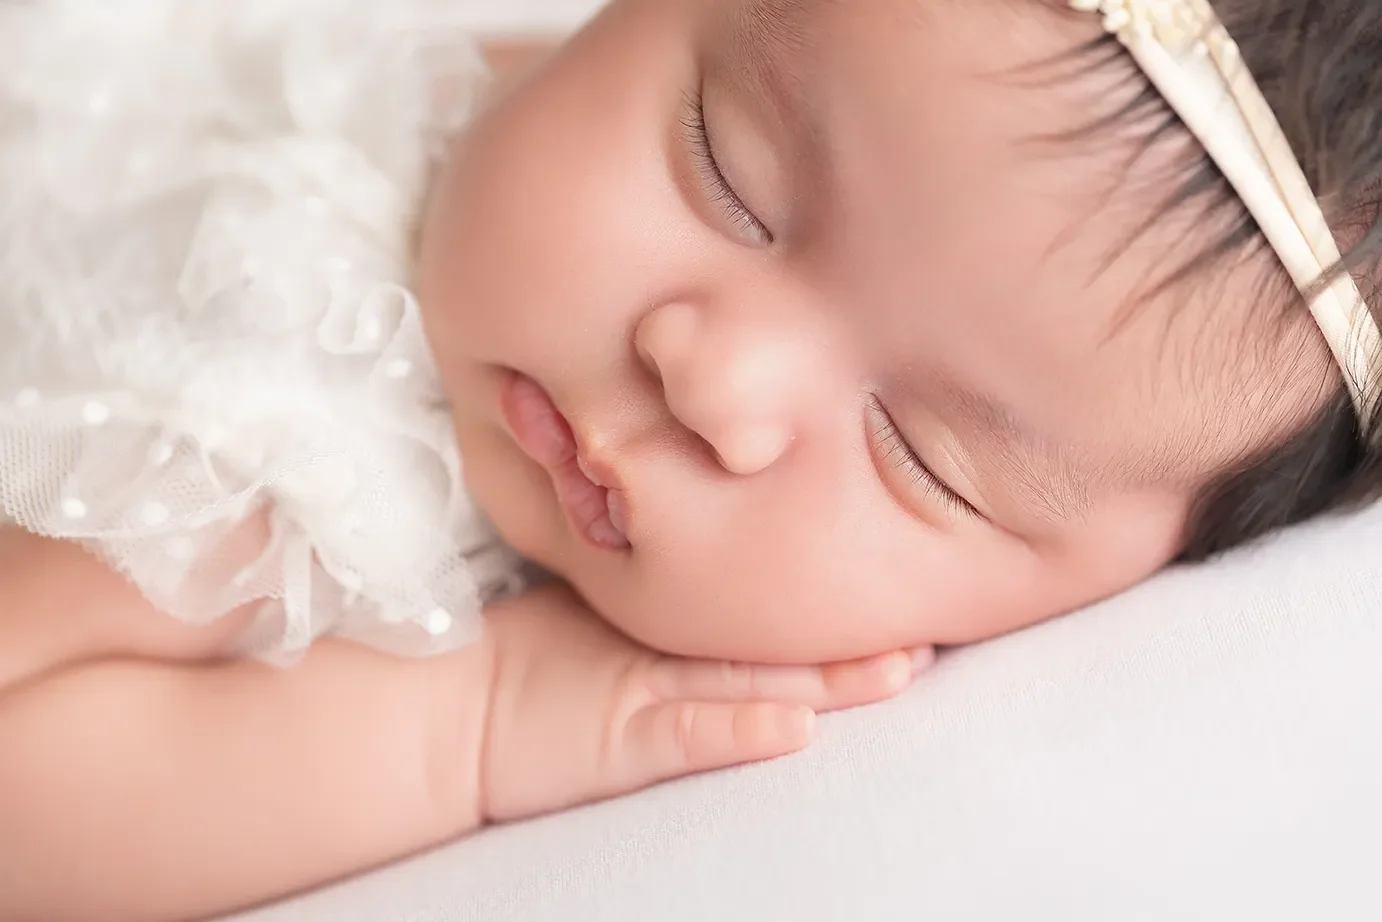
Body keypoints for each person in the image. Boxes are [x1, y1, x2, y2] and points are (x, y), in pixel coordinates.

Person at [2, 0, 1379, 919]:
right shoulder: (268, 388)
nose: (713, 382)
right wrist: (464, 730)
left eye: (923, 456)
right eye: (728, 170)